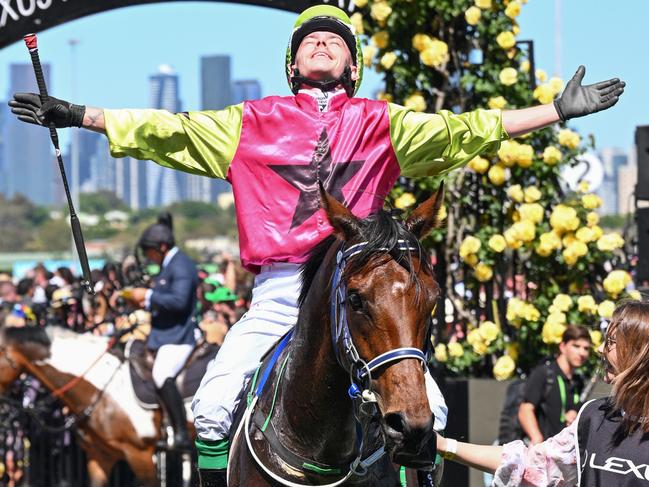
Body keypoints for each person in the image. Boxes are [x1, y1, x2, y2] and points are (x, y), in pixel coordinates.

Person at [8, 4, 625, 483]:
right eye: (309, 40)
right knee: (215, 404)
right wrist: (76, 113)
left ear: (353, 65)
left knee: (429, 413)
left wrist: (554, 110)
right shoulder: (247, 121)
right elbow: (165, 130)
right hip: (282, 290)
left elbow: (470, 130)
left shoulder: (385, 122)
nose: (322, 42)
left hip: (362, 286)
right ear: (292, 64)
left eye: (335, 39)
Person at [437, 300, 649, 486]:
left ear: (639, 353)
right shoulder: (594, 415)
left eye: (611, 342)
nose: (600, 349)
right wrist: (444, 445)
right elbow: (530, 462)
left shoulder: (578, 388)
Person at [123, 213, 199, 451]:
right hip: (166, 334)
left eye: (149, 251)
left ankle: (181, 434)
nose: (148, 256)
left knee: (161, 374)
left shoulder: (182, 265)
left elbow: (178, 301)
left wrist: (145, 296)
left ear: (163, 247)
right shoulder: (169, 265)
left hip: (179, 336)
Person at [518, 325, 592, 444]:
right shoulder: (543, 373)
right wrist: (537, 439)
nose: (582, 353)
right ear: (562, 347)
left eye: (586, 348)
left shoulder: (579, 380)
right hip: (541, 452)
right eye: (576, 346)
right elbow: (525, 409)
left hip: (562, 453)